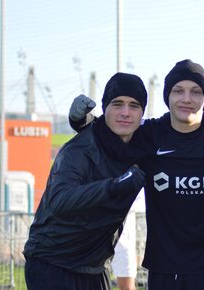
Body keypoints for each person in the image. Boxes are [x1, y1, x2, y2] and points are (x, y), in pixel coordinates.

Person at [69, 59, 204, 290]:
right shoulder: (150, 135)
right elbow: (110, 137)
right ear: (168, 97)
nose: (187, 99)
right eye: (178, 91)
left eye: (195, 92)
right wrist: (80, 120)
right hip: (165, 270)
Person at [23, 72, 148, 290]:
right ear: (105, 108)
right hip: (53, 263)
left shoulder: (142, 142)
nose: (125, 113)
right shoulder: (79, 150)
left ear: (142, 113)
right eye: (117, 104)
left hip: (93, 267)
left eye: (134, 106)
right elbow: (60, 200)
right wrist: (113, 186)